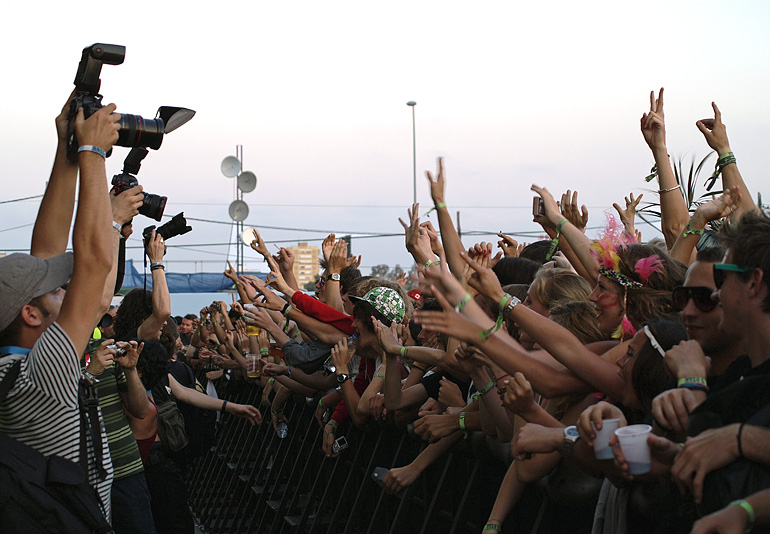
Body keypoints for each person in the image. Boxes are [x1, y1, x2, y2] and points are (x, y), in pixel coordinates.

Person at [0, 95, 121, 521]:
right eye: (56, 292)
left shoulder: (12, 368)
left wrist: (66, 149)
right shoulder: (41, 375)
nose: (67, 292)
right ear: (30, 315)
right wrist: (93, 153)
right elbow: (94, 264)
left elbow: (46, 253)